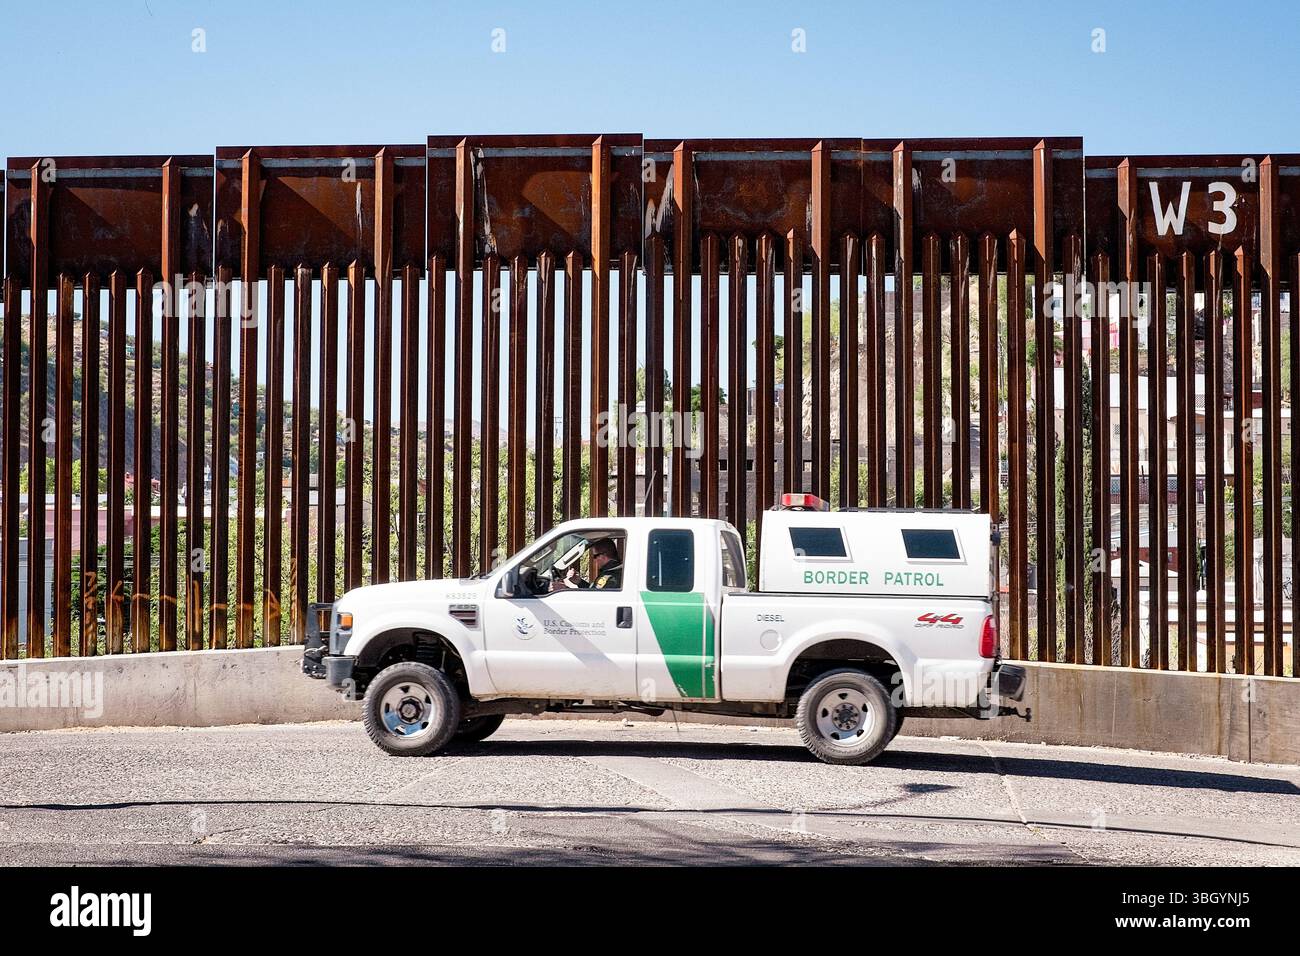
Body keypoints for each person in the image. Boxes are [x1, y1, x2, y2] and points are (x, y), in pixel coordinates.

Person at [551, 536, 623, 591]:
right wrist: (580, 582)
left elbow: (593, 599)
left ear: (603, 556)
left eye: (595, 556)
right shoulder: (614, 571)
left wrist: (564, 589)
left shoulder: (611, 577)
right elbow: (593, 591)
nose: (594, 560)